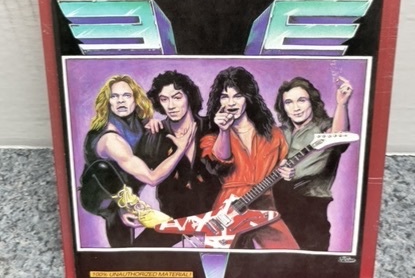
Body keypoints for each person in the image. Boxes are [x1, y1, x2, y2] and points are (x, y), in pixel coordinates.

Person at [80, 74, 195, 247]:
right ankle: (128, 213)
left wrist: (153, 124)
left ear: (136, 100)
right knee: (104, 171)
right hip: (99, 192)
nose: (120, 101)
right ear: (108, 102)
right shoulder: (111, 139)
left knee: (158, 139)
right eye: (114, 96)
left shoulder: (140, 124)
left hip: (129, 189)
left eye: (126, 95)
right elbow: (152, 178)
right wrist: (180, 149)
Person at [200, 67, 298, 250]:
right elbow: (220, 161)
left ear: (248, 97)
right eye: (224, 96)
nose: (231, 102)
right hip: (229, 208)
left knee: (289, 255)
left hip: (265, 205)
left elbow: (283, 164)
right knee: (220, 258)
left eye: (237, 96)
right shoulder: (212, 137)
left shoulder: (274, 134)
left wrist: (288, 172)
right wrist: (224, 130)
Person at [133, 70, 221, 247]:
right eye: (164, 99)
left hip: (216, 220)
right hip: (173, 221)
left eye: (177, 97)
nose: (171, 105)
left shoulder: (212, 127)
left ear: (189, 97)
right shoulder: (155, 134)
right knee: (137, 253)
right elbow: (135, 180)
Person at [273, 76, 353, 251]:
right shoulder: (280, 132)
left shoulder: (324, 127)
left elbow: (338, 136)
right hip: (276, 206)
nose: (295, 108)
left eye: (301, 100)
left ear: (312, 102)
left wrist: (342, 104)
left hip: (310, 207)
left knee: (310, 258)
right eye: (288, 102)